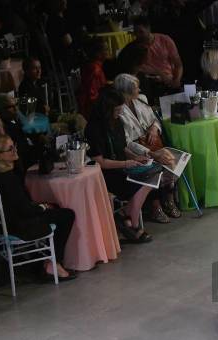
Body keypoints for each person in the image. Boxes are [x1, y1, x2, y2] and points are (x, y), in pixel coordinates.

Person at [0, 134, 76, 281]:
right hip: (21, 225)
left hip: (9, 221)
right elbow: (25, 210)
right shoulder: (8, 179)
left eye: (14, 146)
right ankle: (53, 264)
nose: (15, 150)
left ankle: (48, 261)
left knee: (57, 208)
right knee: (67, 215)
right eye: (10, 149)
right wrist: (42, 207)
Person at [85, 86, 153, 242]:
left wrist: (136, 158)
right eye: (117, 111)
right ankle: (132, 224)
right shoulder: (94, 129)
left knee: (152, 175)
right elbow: (100, 161)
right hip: (107, 173)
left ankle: (126, 218)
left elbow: (123, 148)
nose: (120, 114)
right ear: (107, 110)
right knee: (142, 183)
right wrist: (126, 163)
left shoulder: (117, 122)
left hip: (122, 165)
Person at [113, 74, 181, 222]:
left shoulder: (141, 99)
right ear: (127, 91)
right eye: (136, 87)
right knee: (153, 168)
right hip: (136, 149)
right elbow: (127, 142)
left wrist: (154, 129)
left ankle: (168, 199)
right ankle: (155, 206)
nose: (139, 89)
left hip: (152, 142)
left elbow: (155, 120)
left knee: (172, 160)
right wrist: (148, 153)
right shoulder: (118, 110)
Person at [133, 16, 184, 95]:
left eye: (141, 32)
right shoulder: (135, 46)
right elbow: (136, 68)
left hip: (167, 81)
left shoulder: (164, 40)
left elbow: (178, 64)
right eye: (135, 32)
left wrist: (177, 80)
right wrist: (159, 73)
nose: (138, 35)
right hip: (147, 83)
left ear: (148, 29)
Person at [77, 39, 109, 119]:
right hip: (93, 110)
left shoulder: (94, 66)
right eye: (106, 49)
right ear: (98, 54)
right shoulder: (95, 70)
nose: (108, 52)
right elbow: (92, 96)